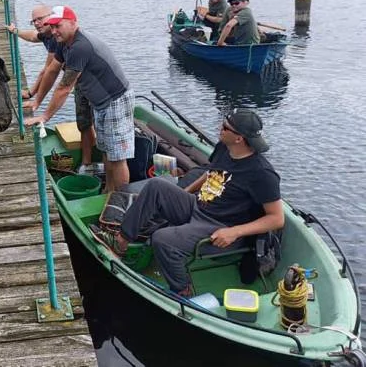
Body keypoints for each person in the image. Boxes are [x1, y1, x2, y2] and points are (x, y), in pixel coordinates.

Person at [92, 109, 284, 296]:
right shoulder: (224, 148)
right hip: (198, 205)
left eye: (225, 127)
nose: (220, 128)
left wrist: (234, 232)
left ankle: (183, 289)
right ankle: (121, 242)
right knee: (156, 186)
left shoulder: (262, 174)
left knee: (162, 239)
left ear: (239, 138)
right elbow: (211, 172)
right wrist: (182, 193)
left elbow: (276, 218)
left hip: (219, 226)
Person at [24, 6, 135, 192]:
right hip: (100, 103)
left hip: (115, 101)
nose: (54, 31)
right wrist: (37, 102)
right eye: (51, 26)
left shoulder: (80, 46)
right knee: (107, 150)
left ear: (73, 22)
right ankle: (109, 190)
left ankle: (122, 202)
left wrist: (44, 117)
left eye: (58, 25)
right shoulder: (63, 42)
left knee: (117, 157)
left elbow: (64, 87)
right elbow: (51, 71)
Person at [7, 6, 97, 174]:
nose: (37, 23)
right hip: (80, 86)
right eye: (33, 20)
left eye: (40, 19)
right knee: (84, 124)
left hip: (93, 87)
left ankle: (92, 163)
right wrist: (16, 31)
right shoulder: (50, 36)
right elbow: (34, 38)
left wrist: (38, 104)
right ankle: (87, 164)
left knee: (96, 128)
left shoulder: (62, 40)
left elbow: (53, 76)